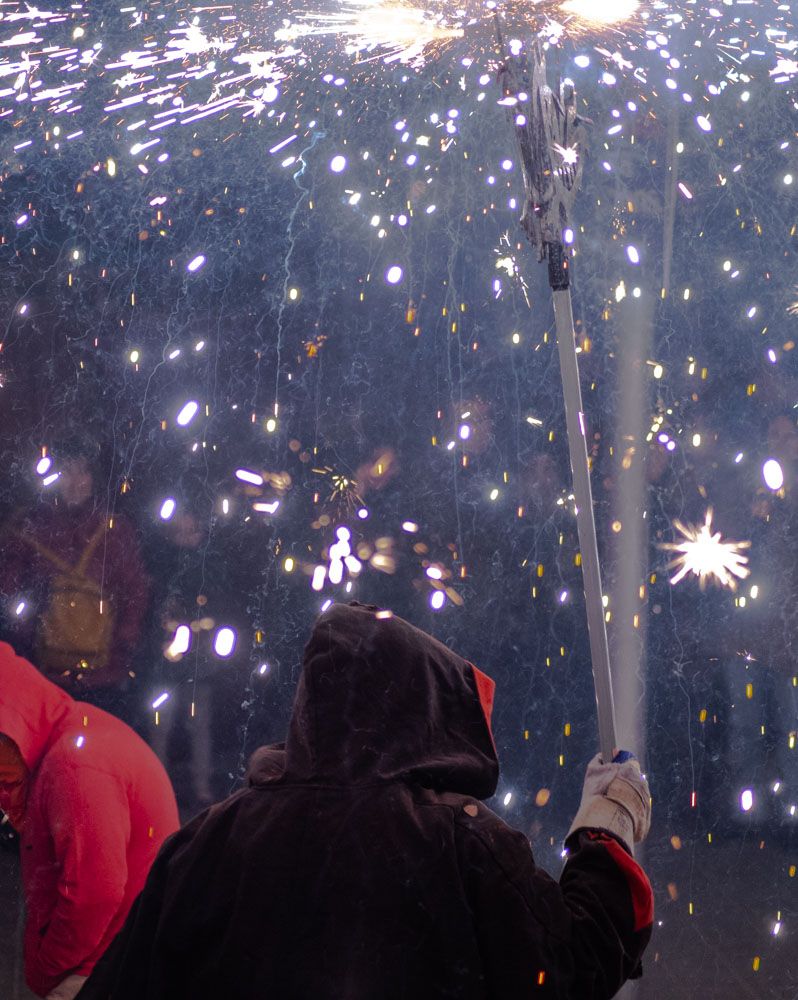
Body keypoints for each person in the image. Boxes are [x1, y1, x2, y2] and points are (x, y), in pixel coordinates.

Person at [79, 602, 652, 999]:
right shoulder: (459, 842)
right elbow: (572, 968)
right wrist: (608, 825)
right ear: (422, 711)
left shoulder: (212, 838)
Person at [0, 642, 179, 1000]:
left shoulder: (73, 762)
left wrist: (47, 968)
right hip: (116, 960)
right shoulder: (71, 737)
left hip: (99, 972)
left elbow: (94, 895)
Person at [0, 437, 150, 720]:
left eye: (83, 471)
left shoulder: (114, 531)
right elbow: (9, 596)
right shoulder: (26, 528)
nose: (75, 481)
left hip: (100, 676)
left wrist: (120, 651)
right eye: (66, 471)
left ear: (94, 477)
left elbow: (134, 593)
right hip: (42, 675)